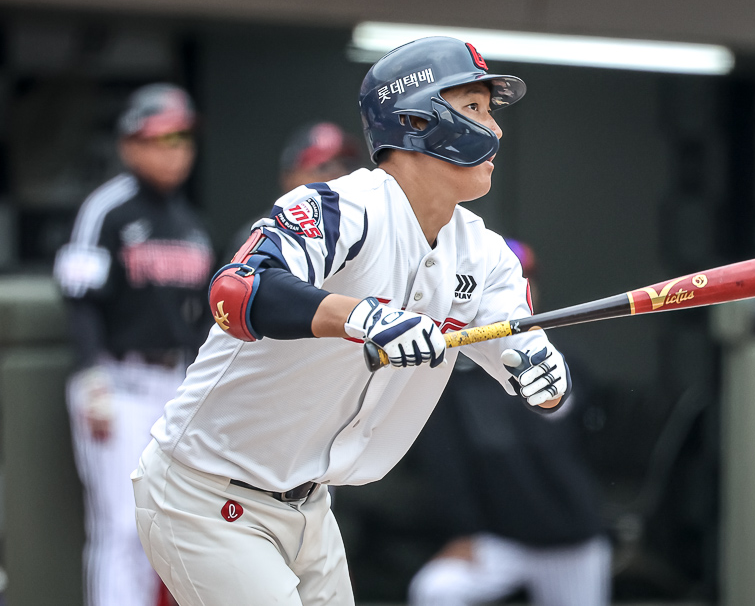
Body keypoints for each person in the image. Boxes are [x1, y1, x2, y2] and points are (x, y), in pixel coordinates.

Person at [131, 36, 573, 606]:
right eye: (474, 108)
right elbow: (237, 292)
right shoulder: (340, 207)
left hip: (309, 504)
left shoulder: (487, 255)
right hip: (205, 492)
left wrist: (540, 370)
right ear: (416, 120)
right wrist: (363, 317)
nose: (496, 130)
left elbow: (524, 356)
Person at [53, 83, 215, 606]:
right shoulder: (108, 209)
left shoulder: (191, 223)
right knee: (121, 526)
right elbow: (79, 296)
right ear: (130, 144)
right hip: (117, 382)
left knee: (165, 526)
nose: (176, 150)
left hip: (174, 386)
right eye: (161, 137)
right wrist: (89, 375)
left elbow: (200, 322)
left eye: (183, 137)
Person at [407, 238, 611, 606]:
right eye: (502, 282)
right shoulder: (453, 362)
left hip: (570, 537)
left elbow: (594, 437)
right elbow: (444, 458)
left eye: (525, 280)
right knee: (437, 589)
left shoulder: (562, 357)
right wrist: (464, 530)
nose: (516, 291)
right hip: (499, 538)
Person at [227, 121, 362, 256]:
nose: (338, 174)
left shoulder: (361, 231)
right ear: (289, 178)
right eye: (324, 167)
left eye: (347, 165)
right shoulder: (261, 237)